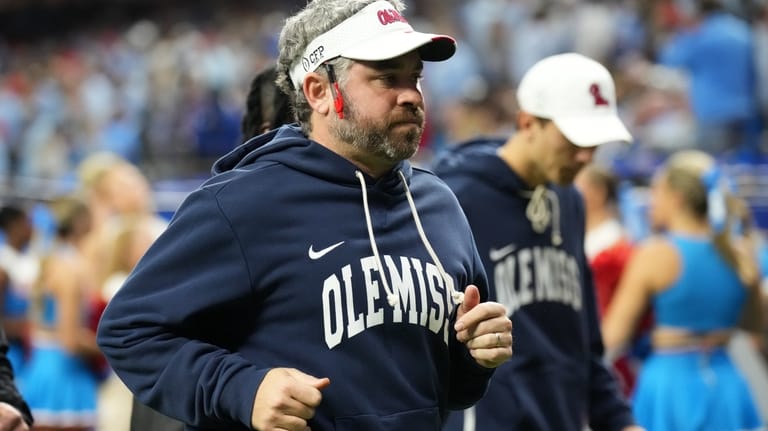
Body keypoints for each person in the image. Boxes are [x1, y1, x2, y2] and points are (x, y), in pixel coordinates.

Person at [97, 1, 512, 430]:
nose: (411, 95)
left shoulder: (438, 203)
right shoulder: (242, 202)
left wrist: (478, 357)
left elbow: (451, 390)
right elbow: (129, 331)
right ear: (318, 92)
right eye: (387, 78)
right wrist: (243, 388)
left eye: (415, 78)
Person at [433, 53, 642, 431]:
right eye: (574, 140)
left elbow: (584, 342)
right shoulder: (455, 199)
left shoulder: (570, 201)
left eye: (595, 143)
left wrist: (619, 420)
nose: (586, 156)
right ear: (528, 122)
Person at [602, 150, 765, 431]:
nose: (651, 202)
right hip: (727, 386)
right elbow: (756, 326)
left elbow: (612, 337)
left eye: (656, 192)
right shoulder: (739, 253)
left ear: (676, 197)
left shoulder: (655, 254)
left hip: (669, 386)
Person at [20, 195, 101, 430]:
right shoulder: (69, 270)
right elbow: (69, 340)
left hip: (41, 368)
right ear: (80, 222)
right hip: (64, 377)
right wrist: (111, 347)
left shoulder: (50, 261)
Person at [574, 164, 651, 397]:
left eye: (579, 184)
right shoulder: (584, 238)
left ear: (597, 192)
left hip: (604, 357)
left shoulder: (615, 248)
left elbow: (612, 316)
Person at [0, 205, 39, 377]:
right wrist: (27, 327)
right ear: (13, 225)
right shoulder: (3, 264)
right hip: (11, 352)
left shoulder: (32, 260)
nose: (31, 228)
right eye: (27, 223)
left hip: (29, 351)